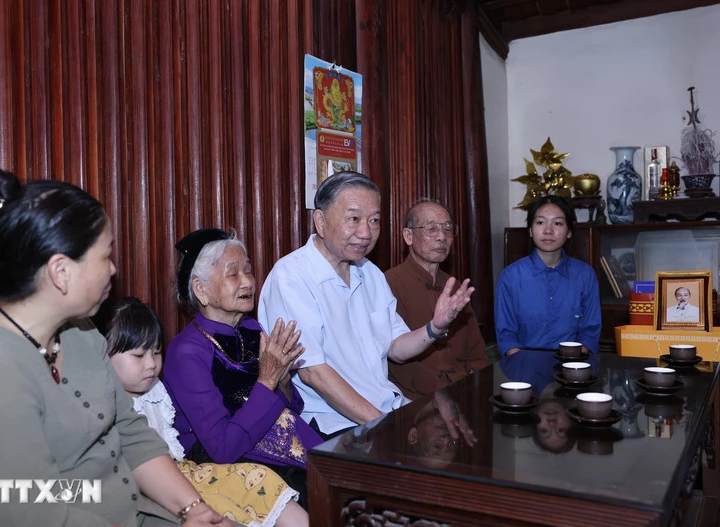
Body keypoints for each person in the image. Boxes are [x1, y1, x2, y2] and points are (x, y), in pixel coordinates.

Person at [0, 167, 229, 526]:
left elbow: (128, 433)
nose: (113, 270)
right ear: (60, 272)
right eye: (105, 256)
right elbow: (28, 507)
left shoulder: (80, 332)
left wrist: (195, 510)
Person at [258, 172, 475, 439]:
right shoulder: (291, 276)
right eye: (354, 219)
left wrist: (434, 327)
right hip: (333, 423)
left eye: (374, 220)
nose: (366, 233)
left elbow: (396, 347)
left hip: (385, 408)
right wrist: (386, 426)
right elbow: (313, 373)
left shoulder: (370, 273)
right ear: (321, 221)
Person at [94, 297, 308, 527]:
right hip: (150, 484)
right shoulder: (103, 403)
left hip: (184, 470)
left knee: (260, 480)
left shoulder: (156, 389)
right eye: (138, 356)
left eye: (156, 352)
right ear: (102, 355)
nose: (151, 364)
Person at [163, 228, 323, 509]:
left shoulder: (250, 328)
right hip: (227, 463)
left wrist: (282, 379)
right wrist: (268, 379)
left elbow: (290, 408)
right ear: (201, 290)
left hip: (276, 445)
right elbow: (222, 447)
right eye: (233, 273)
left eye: (248, 270)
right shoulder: (186, 352)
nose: (248, 281)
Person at [385, 199, 490, 399]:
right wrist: (445, 391)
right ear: (409, 236)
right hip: (414, 399)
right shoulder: (389, 283)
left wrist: (478, 387)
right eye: (431, 229)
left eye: (447, 229)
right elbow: (395, 361)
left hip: (463, 391)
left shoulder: (454, 285)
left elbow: (476, 353)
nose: (442, 236)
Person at [494, 195, 601, 359]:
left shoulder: (585, 275)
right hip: (523, 367)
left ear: (569, 232)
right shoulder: (510, 277)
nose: (548, 230)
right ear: (530, 230)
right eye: (540, 222)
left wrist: (572, 366)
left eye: (557, 223)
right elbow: (506, 337)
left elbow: (589, 334)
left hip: (572, 367)